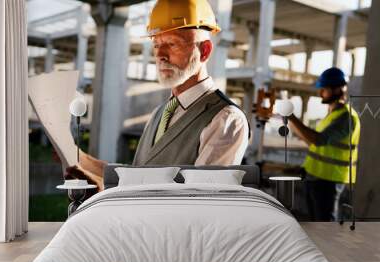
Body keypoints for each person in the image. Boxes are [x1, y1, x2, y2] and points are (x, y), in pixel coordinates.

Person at [66, 0, 250, 191]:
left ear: (204, 51)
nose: (160, 55)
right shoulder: (159, 114)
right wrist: (80, 158)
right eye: (156, 44)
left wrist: (106, 196)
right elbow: (140, 176)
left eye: (172, 43)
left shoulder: (226, 119)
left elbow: (199, 200)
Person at [287, 67, 360, 221]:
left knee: (326, 226)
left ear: (338, 89)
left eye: (324, 89)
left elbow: (318, 140)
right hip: (315, 178)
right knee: (316, 224)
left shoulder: (346, 118)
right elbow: (311, 142)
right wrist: (289, 121)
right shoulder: (332, 116)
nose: (320, 92)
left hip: (329, 182)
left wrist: (292, 117)